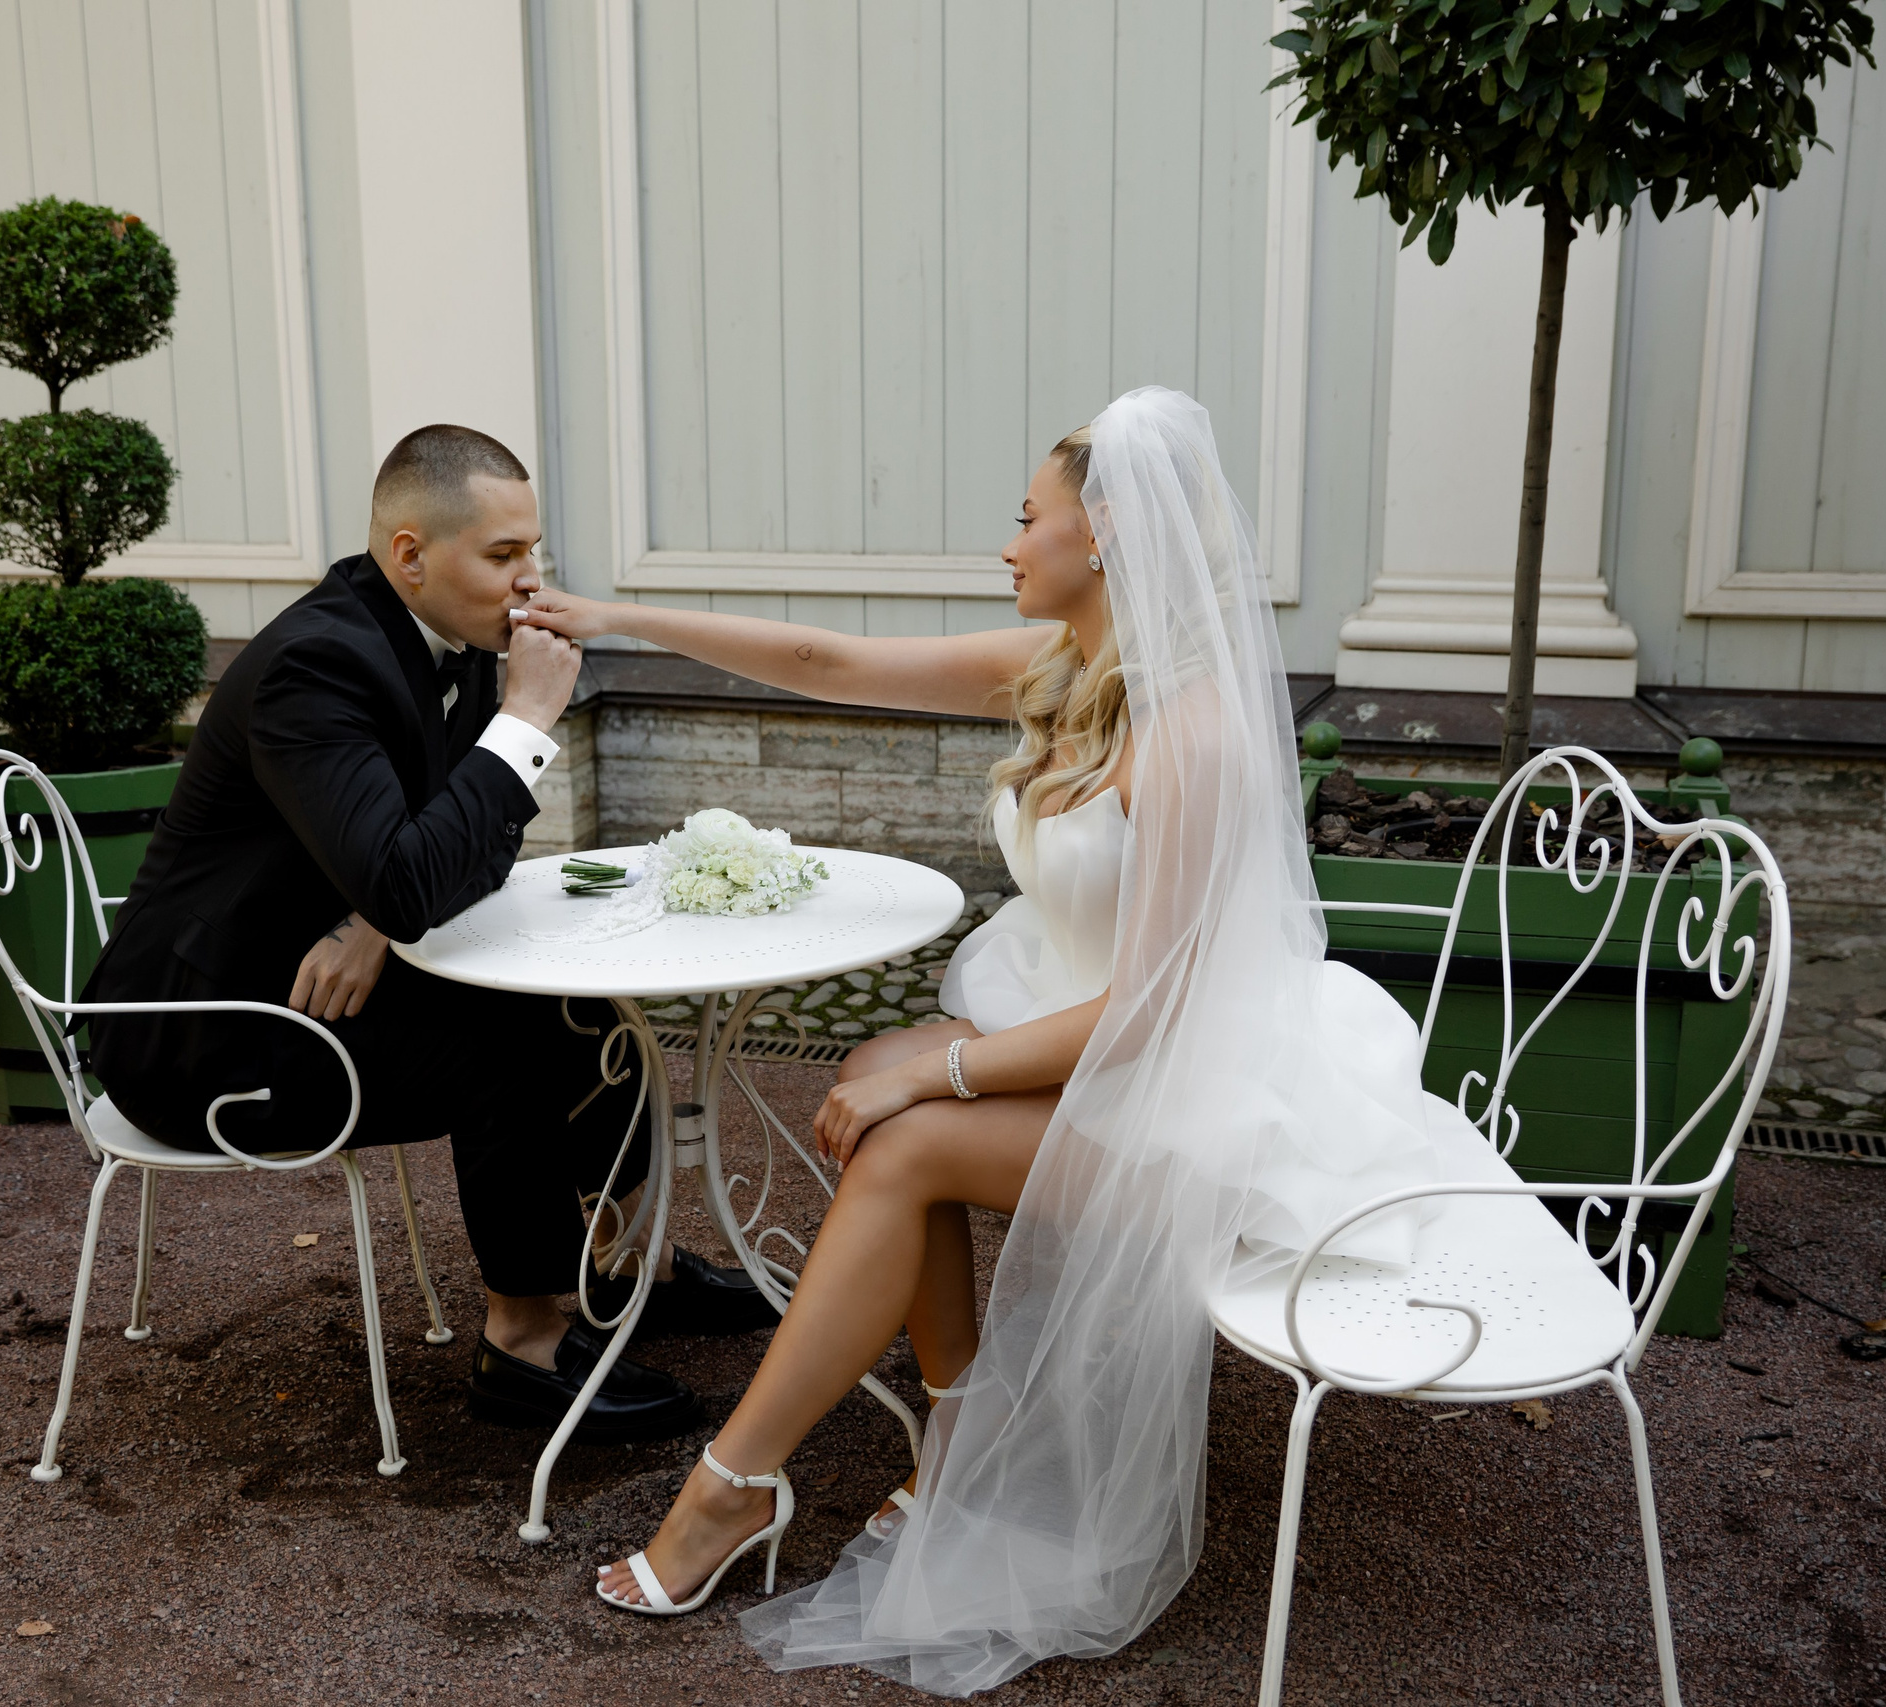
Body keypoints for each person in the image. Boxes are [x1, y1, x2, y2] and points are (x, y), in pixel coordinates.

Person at [516, 389, 1523, 1691]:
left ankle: (733, 1483)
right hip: (1090, 1034)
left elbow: (1153, 1009)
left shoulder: (1193, 731)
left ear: (1102, 534)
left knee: (901, 1131)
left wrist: (938, 1072)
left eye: (1026, 515)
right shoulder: (1064, 670)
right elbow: (829, 661)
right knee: (873, 1075)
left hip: (1193, 1094)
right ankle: (954, 1441)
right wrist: (615, 618)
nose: (1009, 541)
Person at [82, 424, 773, 1448]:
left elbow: (463, 855)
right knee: (501, 1047)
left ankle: (631, 1265)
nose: (529, 580)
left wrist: (370, 916)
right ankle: (524, 1348)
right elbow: (426, 872)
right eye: (502, 556)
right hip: (200, 1032)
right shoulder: (316, 664)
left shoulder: (438, 641)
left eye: (531, 551)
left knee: (583, 1003)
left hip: (304, 973)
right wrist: (525, 727)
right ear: (410, 553)